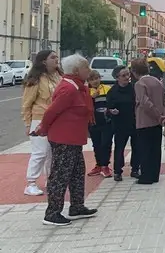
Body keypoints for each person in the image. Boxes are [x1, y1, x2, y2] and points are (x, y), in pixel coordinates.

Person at [37, 54, 97, 226]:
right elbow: (51, 111)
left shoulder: (78, 87)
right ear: (77, 70)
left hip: (74, 138)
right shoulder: (68, 88)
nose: (89, 70)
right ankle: (52, 213)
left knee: (77, 173)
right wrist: (42, 128)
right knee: (60, 175)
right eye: (86, 67)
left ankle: (77, 206)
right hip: (64, 138)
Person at [21, 49, 62, 196]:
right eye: (53, 57)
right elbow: (26, 104)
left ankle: (51, 180)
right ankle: (31, 183)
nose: (56, 59)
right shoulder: (36, 79)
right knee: (40, 151)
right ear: (44, 61)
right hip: (39, 119)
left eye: (57, 56)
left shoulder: (58, 76)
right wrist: (27, 123)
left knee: (52, 152)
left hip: (56, 119)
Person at [131, 59, 165, 185]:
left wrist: (157, 115)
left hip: (145, 121)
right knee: (155, 149)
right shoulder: (157, 81)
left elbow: (144, 102)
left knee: (145, 149)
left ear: (135, 72)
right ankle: (154, 174)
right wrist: (164, 115)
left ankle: (146, 176)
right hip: (158, 122)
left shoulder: (139, 84)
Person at [107, 66, 139, 181]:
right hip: (120, 123)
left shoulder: (134, 88)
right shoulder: (113, 91)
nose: (127, 77)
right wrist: (112, 111)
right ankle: (117, 171)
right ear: (117, 78)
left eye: (127, 74)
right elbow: (108, 107)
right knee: (119, 148)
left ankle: (135, 169)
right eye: (123, 75)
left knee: (137, 146)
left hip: (134, 122)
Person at [87, 70, 113, 178]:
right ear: (88, 81)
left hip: (107, 121)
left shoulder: (107, 89)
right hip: (93, 122)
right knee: (96, 144)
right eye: (92, 79)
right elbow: (85, 106)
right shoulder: (87, 91)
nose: (95, 81)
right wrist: (92, 98)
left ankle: (105, 165)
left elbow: (112, 101)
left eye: (96, 78)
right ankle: (98, 165)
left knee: (106, 143)